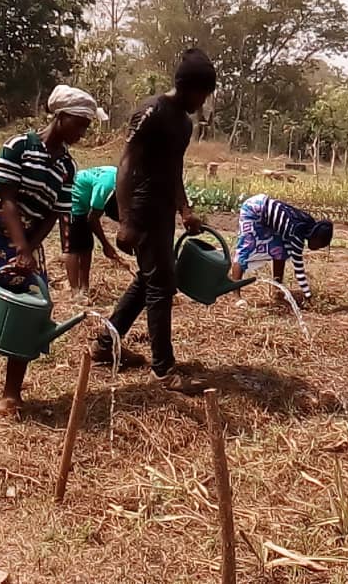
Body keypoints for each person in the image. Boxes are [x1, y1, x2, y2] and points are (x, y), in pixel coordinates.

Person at [0, 85, 105, 416]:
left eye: (86, 126)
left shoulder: (67, 167)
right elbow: (7, 199)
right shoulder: (18, 146)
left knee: (31, 308)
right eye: (79, 123)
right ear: (59, 117)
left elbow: (52, 214)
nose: (82, 132)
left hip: (28, 240)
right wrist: (20, 247)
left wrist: (28, 250)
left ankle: (12, 392)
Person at [90, 49, 215, 391]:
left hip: (161, 210)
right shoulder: (151, 112)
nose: (203, 101)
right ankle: (163, 369)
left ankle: (105, 343)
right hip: (140, 207)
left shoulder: (184, 124)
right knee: (161, 285)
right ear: (187, 86)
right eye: (202, 93)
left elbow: (174, 169)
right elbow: (126, 163)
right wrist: (126, 221)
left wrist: (185, 209)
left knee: (149, 280)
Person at [229, 194, 334, 305]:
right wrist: (308, 296)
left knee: (280, 251)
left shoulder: (307, 226)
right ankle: (236, 296)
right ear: (316, 237)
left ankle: (277, 291)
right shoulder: (297, 233)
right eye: (319, 245)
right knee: (245, 249)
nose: (317, 248)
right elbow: (299, 270)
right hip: (253, 209)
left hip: (267, 212)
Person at [62, 165, 123, 299]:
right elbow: (92, 219)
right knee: (72, 246)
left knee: (87, 245)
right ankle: (75, 291)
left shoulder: (122, 179)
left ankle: (85, 287)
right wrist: (106, 245)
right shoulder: (104, 190)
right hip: (73, 201)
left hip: (87, 200)